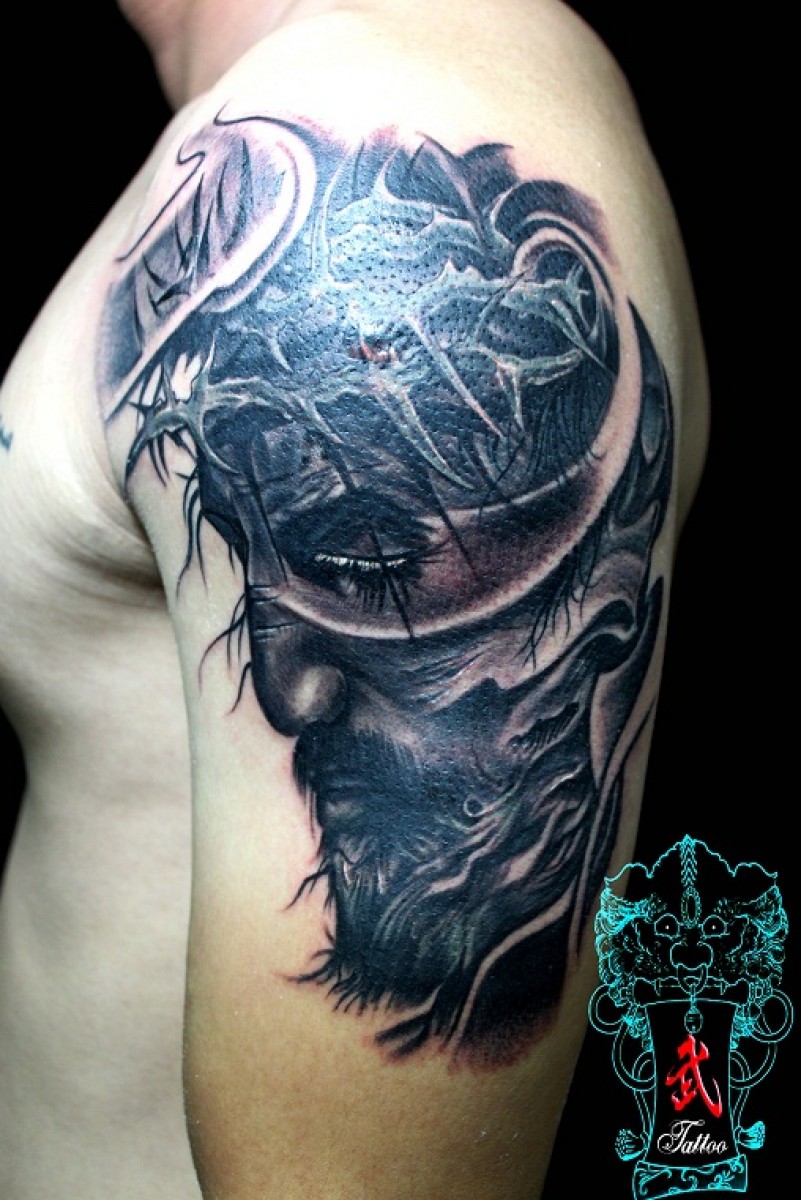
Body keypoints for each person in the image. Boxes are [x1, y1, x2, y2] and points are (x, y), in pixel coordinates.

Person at [0, 2, 709, 1197]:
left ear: (602, 627)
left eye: (373, 567)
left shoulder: (394, 93)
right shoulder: (315, 107)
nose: (282, 691)